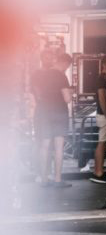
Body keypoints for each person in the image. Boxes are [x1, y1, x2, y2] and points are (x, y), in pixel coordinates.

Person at [33, 50, 72, 188]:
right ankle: (57, 179)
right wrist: (70, 93)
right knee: (58, 147)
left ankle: (44, 179)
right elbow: (67, 98)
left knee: (44, 146)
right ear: (65, 63)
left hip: (44, 112)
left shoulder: (43, 74)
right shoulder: (61, 76)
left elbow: (37, 94)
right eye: (67, 67)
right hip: (59, 113)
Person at [90, 60, 106, 183]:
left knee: (103, 143)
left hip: (104, 114)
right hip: (104, 115)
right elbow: (102, 97)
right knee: (102, 142)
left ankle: (98, 171)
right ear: (104, 65)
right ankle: (98, 172)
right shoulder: (102, 79)